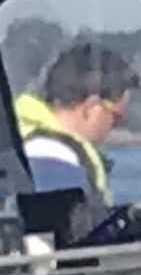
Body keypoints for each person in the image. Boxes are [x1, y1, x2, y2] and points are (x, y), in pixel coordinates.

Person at [15, 40, 130, 204]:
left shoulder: (23, 139)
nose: (113, 126)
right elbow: (65, 219)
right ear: (90, 107)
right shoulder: (51, 156)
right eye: (117, 116)